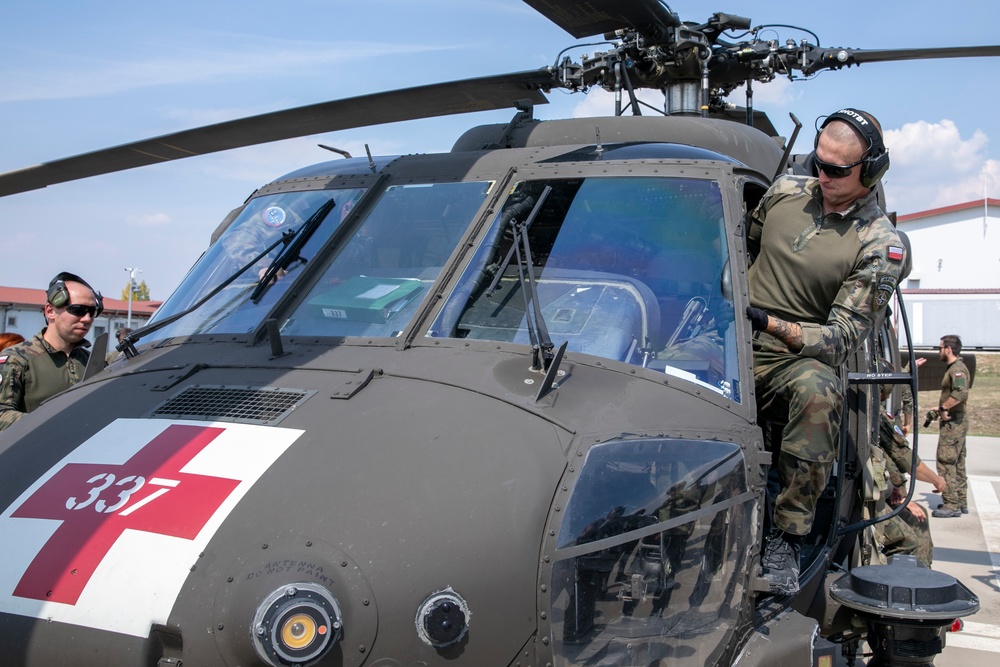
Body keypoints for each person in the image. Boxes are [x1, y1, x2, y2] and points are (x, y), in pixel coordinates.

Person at [744, 108, 907, 593]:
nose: (823, 176)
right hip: (725, 341)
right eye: (819, 163)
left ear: (871, 171)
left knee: (819, 393)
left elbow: (839, 339)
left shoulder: (879, 244)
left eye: (837, 170)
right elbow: (743, 250)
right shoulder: (783, 194)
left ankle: (787, 538)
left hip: (790, 360)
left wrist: (769, 323)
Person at [0, 272, 102, 431]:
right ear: (50, 311)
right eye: (78, 310)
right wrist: (51, 424)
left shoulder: (94, 363)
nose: (87, 319)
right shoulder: (17, 359)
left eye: (92, 312)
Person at [931, 335, 970, 518]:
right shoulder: (954, 368)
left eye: (940, 348)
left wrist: (943, 407)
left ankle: (951, 504)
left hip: (953, 422)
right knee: (958, 462)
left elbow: (961, 393)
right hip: (957, 420)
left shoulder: (957, 369)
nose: (939, 351)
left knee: (946, 461)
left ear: (948, 349)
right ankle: (961, 501)